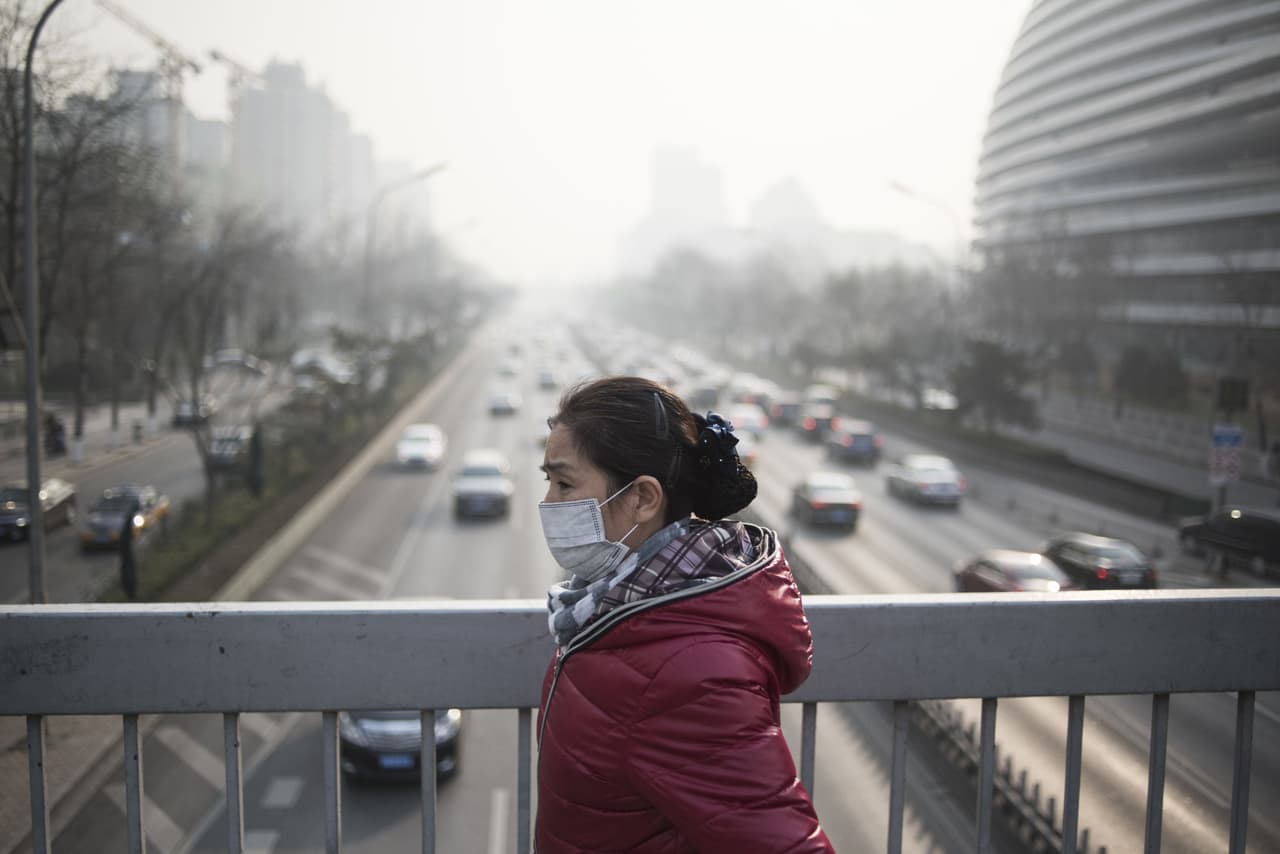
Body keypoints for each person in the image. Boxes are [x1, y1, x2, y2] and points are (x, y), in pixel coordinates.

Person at [536, 376, 833, 853]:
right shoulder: (617, 613)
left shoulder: (688, 674)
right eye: (548, 480)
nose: (548, 503)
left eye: (564, 482)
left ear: (643, 498)